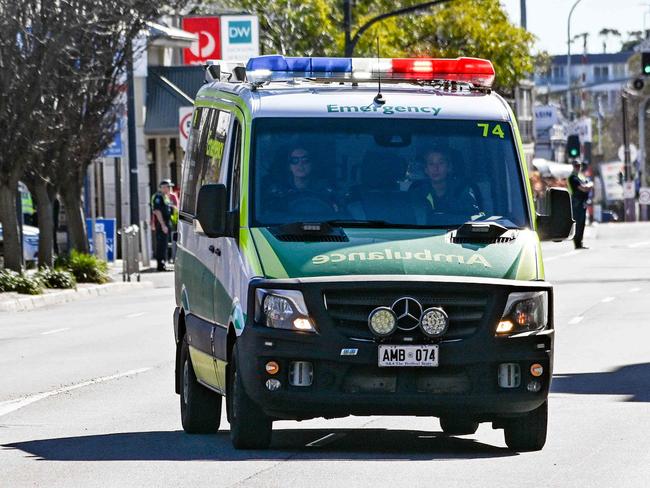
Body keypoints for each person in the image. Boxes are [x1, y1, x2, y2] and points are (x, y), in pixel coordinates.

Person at [410, 149, 480, 221]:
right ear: (426, 169)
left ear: (449, 167)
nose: (436, 168)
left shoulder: (463, 190)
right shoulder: (418, 192)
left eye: (441, 163)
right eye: (431, 164)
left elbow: (474, 220)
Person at [567, 160, 593, 249]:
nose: (578, 167)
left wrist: (588, 185)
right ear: (573, 167)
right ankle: (577, 243)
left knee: (582, 223)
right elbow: (583, 188)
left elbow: (587, 185)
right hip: (576, 203)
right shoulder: (572, 178)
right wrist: (589, 186)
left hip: (582, 202)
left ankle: (580, 242)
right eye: (576, 166)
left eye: (579, 166)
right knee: (578, 223)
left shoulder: (580, 176)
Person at [151, 179, 175, 271]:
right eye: (168, 187)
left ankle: (163, 263)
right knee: (161, 245)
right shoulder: (158, 197)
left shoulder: (165, 196)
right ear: (164, 187)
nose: (170, 189)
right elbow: (157, 211)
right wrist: (163, 225)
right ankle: (160, 265)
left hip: (165, 223)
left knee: (164, 245)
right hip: (161, 224)